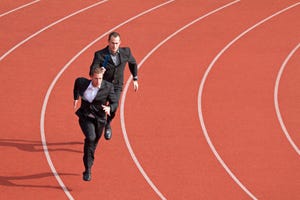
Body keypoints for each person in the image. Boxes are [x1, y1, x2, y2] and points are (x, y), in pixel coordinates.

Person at [89, 31, 139, 140]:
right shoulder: (100, 55)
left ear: (120, 43)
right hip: (103, 86)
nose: (114, 46)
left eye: (116, 43)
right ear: (108, 42)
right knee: (100, 109)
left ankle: (108, 124)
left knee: (113, 107)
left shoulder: (126, 52)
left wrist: (135, 78)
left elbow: (133, 63)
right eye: (112, 43)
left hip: (117, 86)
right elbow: (92, 69)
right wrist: (98, 71)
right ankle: (97, 125)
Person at [73, 67, 118, 181]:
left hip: (100, 120)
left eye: (100, 79)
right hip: (85, 117)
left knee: (94, 143)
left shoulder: (108, 87)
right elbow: (77, 82)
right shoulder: (83, 83)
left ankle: (90, 156)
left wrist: (110, 108)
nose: (98, 82)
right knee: (90, 138)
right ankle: (87, 170)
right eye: (96, 79)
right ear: (91, 77)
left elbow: (115, 102)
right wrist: (76, 98)